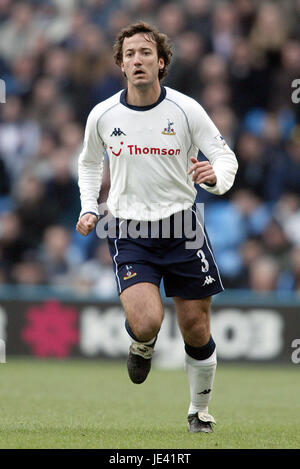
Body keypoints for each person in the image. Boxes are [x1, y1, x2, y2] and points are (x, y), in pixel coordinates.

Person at [76, 21, 238, 434]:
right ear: (121, 65)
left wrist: (213, 178)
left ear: (161, 62)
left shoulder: (186, 110)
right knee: (147, 320)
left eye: (146, 52)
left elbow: (224, 158)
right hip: (130, 228)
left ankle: (199, 412)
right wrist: (90, 208)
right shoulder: (104, 114)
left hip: (183, 226)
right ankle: (142, 342)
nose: (138, 60)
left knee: (196, 327)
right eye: (129, 54)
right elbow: (90, 163)